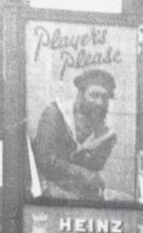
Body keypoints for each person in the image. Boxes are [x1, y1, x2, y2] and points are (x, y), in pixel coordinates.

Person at [32, 68, 117, 200]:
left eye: (104, 97)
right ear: (80, 96)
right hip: (47, 193)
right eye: (94, 95)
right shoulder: (55, 114)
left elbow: (95, 169)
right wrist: (82, 173)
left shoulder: (107, 134)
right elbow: (43, 159)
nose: (100, 102)